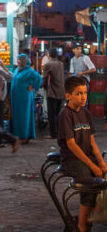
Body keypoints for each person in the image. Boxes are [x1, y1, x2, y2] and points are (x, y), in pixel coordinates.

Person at [58, 75, 107, 232]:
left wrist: (101, 162)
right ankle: (81, 225)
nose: (83, 97)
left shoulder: (86, 114)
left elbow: (92, 142)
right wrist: (92, 164)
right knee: (89, 180)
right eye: (79, 93)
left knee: (103, 174)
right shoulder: (65, 114)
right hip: (72, 159)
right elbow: (71, 145)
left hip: (87, 156)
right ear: (68, 95)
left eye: (85, 93)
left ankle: (92, 214)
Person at [10, 53, 43, 142]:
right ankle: (18, 135)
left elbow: (39, 78)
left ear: (24, 61)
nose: (17, 61)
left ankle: (24, 136)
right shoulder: (17, 70)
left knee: (24, 116)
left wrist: (33, 86)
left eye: (19, 60)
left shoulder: (29, 71)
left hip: (24, 97)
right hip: (16, 98)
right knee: (17, 116)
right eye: (17, 59)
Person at [43, 48, 66, 139]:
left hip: (52, 92)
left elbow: (45, 79)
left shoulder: (48, 64)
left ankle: (53, 134)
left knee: (51, 114)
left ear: (48, 55)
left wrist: (45, 87)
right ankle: (59, 132)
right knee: (58, 114)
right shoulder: (61, 64)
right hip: (61, 91)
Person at [70, 43, 96, 108]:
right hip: (76, 84)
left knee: (84, 103)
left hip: (84, 83)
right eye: (77, 49)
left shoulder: (85, 58)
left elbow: (93, 69)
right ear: (73, 50)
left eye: (80, 49)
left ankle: (84, 117)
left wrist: (83, 73)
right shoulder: (72, 60)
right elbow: (71, 72)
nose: (80, 50)